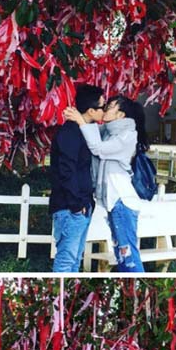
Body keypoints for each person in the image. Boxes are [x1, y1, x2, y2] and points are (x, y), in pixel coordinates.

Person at [62, 95, 149, 272]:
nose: (105, 109)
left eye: (110, 107)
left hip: (122, 201)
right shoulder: (109, 131)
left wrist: (81, 120)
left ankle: (136, 283)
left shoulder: (127, 136)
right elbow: (90, 134)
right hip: (115, 203)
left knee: (128, 254)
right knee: (121, 253)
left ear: (120, 115)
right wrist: (82, 118)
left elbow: (98, 149)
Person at [50, 84, 103, 272]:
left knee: (75, 260)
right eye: (101, 108)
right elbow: (67, 170)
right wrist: (75, 203)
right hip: (70, 207)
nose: (104, 113)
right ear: (91, 110)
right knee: (67, 260)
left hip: (82, 204)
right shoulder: (70, 133)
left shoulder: (85, 130)